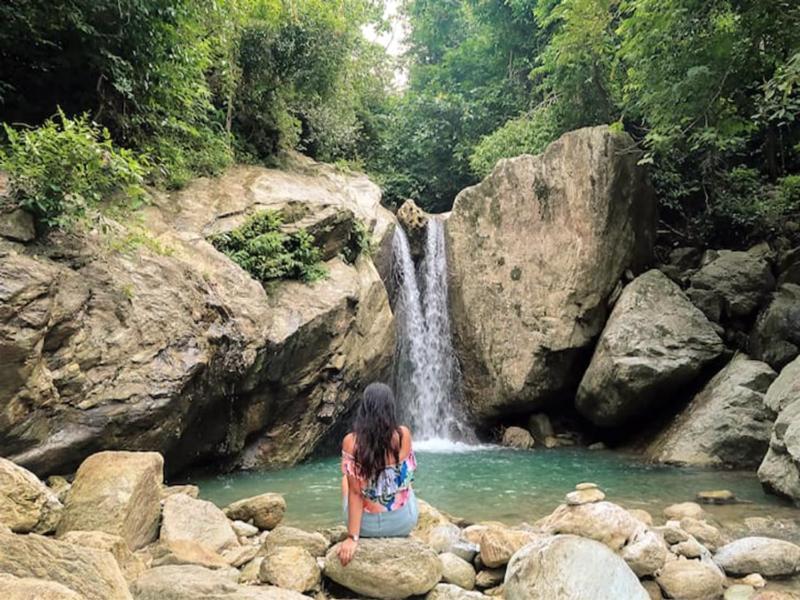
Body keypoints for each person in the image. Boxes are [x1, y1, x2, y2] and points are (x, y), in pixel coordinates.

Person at [338, 382, 419, 566]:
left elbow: (356, 493)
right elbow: (408, 475)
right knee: (405, 479)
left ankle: (358, 527)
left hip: (366, 527)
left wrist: (352, 537)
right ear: (391, 408)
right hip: (403, 523)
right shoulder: (403, 435)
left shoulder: (351, 442)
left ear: (364, 409)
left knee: (347, 481)